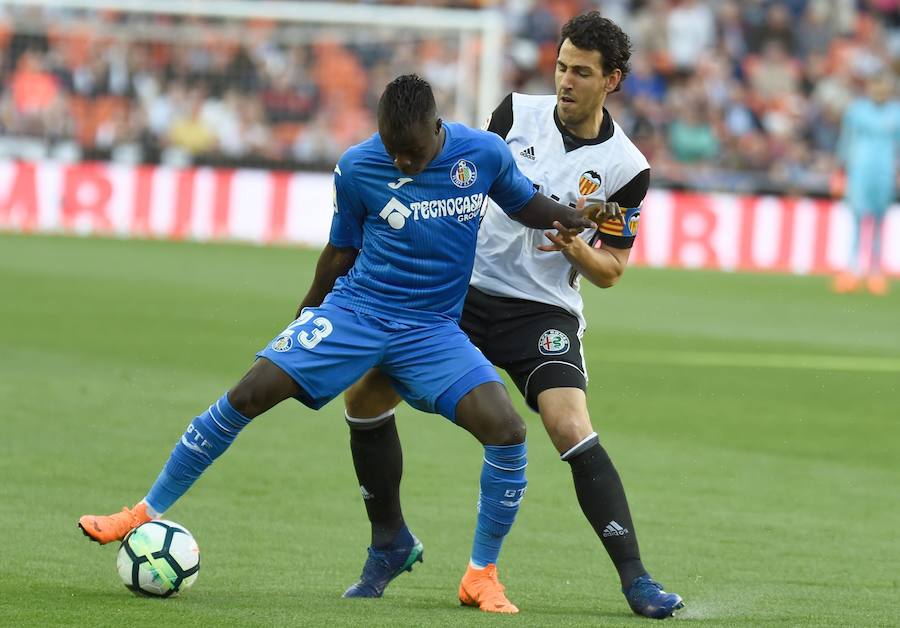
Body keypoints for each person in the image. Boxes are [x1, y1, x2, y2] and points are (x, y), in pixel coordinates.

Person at [78, 74, 612, 613]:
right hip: (358, 312)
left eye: (414, 152)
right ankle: (144, 512)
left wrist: (572, 218)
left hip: (431, 329)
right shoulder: (359, 166)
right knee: (249, 393)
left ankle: (480, 574)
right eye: (393, 151)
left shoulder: (484, 153)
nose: (402, 162)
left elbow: (525, 205)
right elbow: (339, 252)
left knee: (507, 430)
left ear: (437, 128)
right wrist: (309, 309)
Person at [341, 13, 684, 620]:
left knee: (569, 424)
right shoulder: (513, 114)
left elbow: (612, 270)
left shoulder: (628, 167)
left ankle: (636, 580)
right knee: (367, 396)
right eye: (561, 66)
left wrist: (576, 244)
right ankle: (388, 541)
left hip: (541, 310)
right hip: (461, 296)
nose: (565, 81)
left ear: (614, 81)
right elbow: (464, 175)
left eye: (581, 72)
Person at [832, 70, 899, 296]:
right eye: (876, 86)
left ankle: (875, 270)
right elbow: (846, 141)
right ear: (869, 88)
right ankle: (853, 268)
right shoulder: (857, 111)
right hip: (860, 170)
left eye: (884, 88)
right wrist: (840, 170)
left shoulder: (896, 113)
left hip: (884, 173)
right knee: (858, 218)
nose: (879, 92)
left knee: (879, 220)